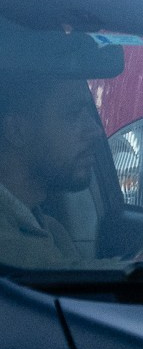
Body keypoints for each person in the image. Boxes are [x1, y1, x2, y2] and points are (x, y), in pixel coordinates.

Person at [0, 70, 106, 268]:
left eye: (90, 113)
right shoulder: (6, 240)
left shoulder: (53, 230)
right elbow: (71, 282)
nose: (95, 131)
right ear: (17, 130)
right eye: (73, 114)